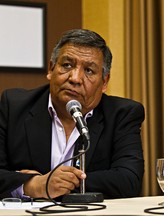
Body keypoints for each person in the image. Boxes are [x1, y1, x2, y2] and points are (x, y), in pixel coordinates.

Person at [0, 29, 145, 200]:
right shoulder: (14, 106)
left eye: (89, 71)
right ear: (51, 69)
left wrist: (59, 183)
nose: (75, 78)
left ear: (104, 82)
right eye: (67, 65)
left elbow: (129, 181)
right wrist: (33, 185)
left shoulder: (122, 114)